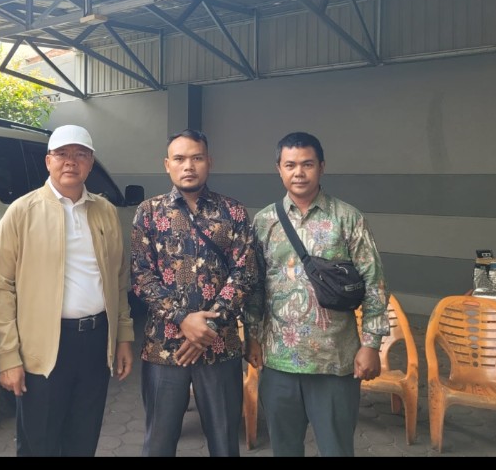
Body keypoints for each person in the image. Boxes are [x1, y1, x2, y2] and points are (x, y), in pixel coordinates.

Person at [0, 124, 134, 457]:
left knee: (83, 439)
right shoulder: (22, 212)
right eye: (62, 154)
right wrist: (8, 356)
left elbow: (118, 278)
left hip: (95, 343)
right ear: (48, 161)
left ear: (91, 162)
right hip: (43, 347)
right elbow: (1, 287)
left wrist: (123, 336)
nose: (71, 161)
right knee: (39, 442)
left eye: (80, 154)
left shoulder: (105, 212)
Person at [243, 131, 389, 457]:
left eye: (307, 164)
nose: (299, 172)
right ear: (279, 169)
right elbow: (254, 286)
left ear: (321, 167)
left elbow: (374, 283)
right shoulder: (264, 222)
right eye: (290, 165)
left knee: (336, 449)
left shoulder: (348, 218)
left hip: (334, 362)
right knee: (285, 449)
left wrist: (371, 345)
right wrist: (251, 336)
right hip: (278, 361)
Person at [131, 128, 258, 457]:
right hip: (164, 348)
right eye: (179, 159)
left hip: (220, 346)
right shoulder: (149, 212)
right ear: (167, 165)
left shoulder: (233, 212)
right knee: (158, 443)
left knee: (224, 442)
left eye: (196, 158)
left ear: (209, 162)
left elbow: (245, 273)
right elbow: (141, 275)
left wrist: (208, 326)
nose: (188, 166)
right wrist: (182, 319)